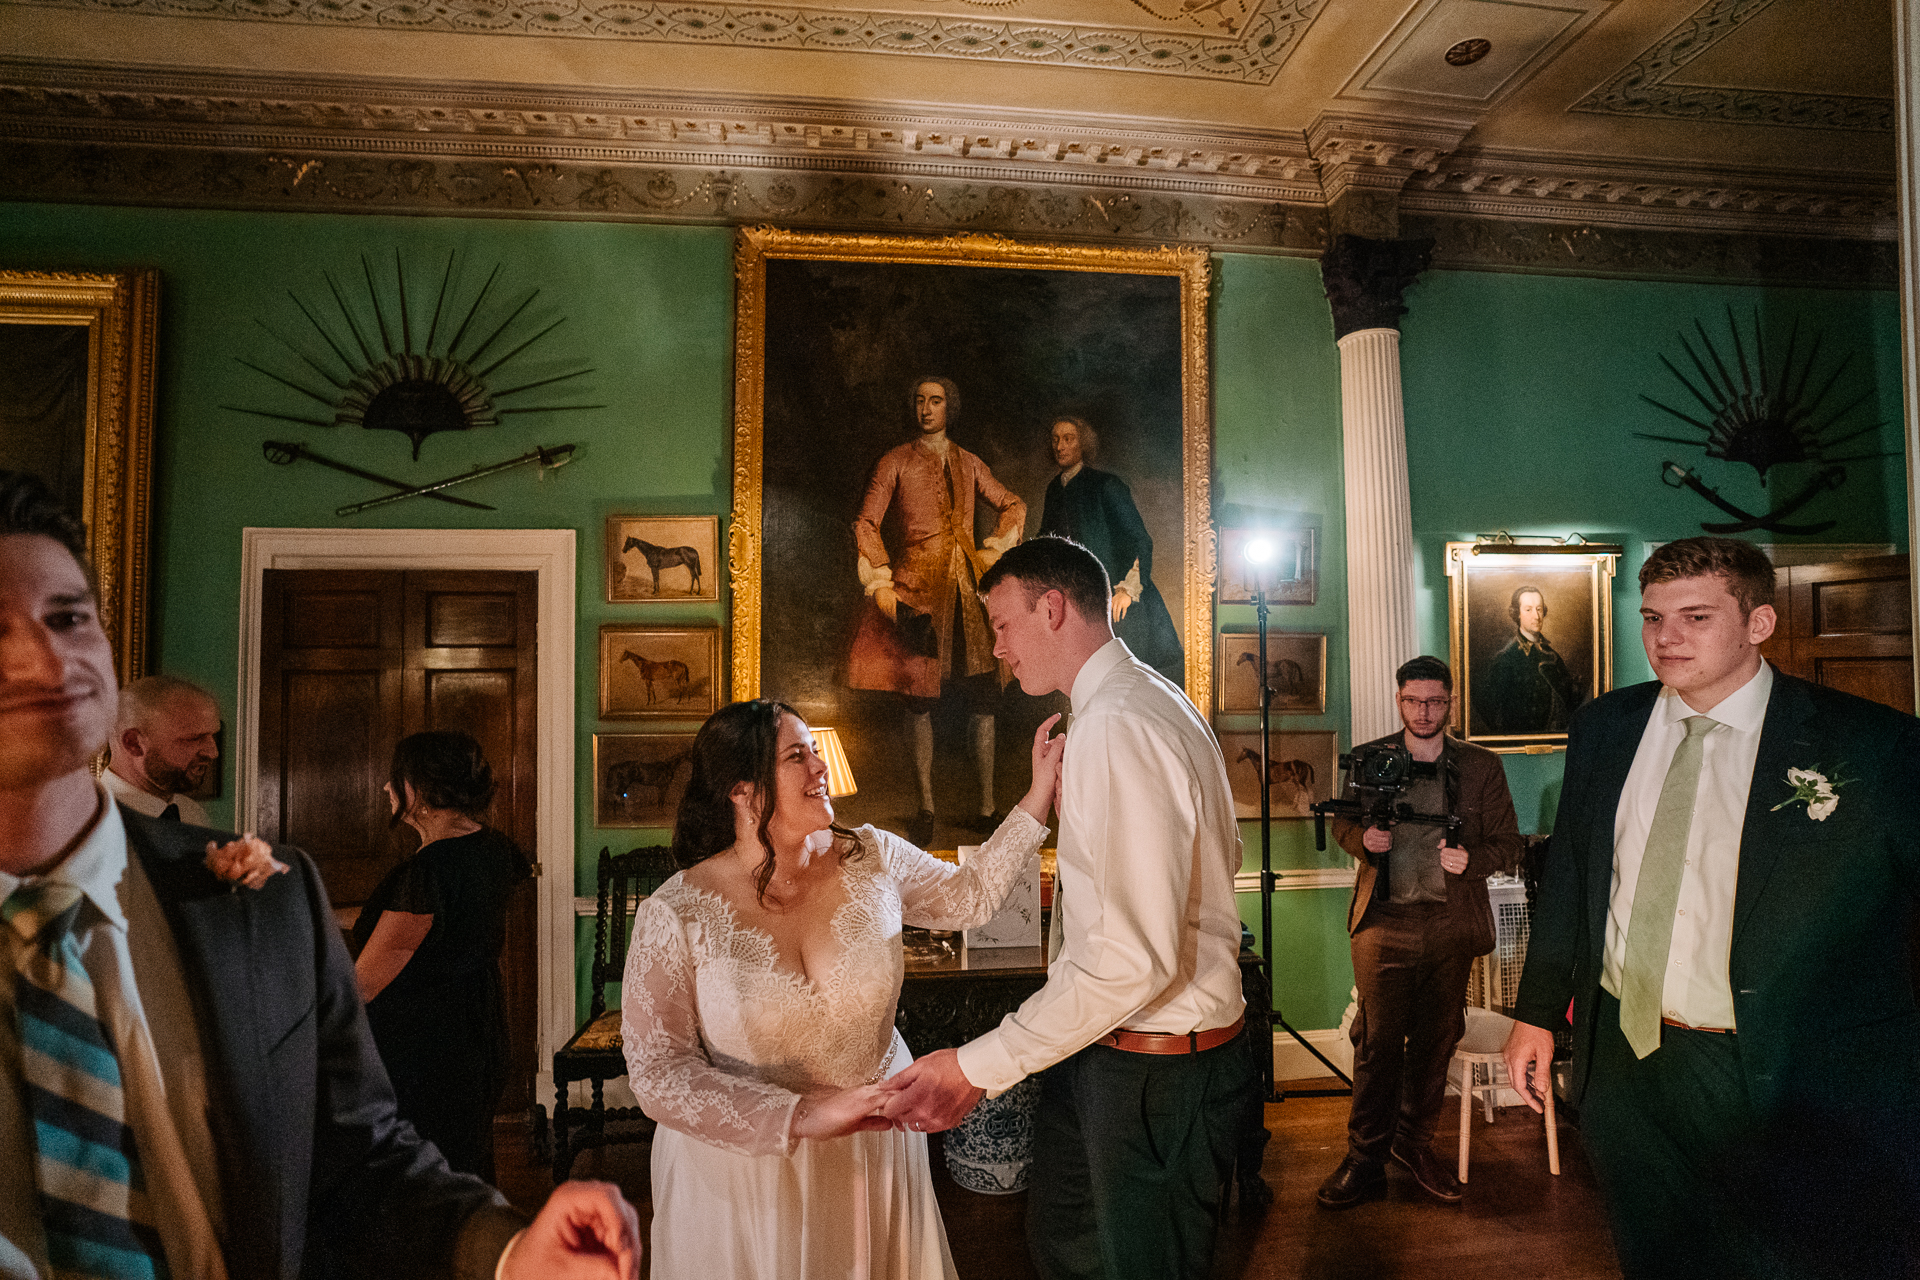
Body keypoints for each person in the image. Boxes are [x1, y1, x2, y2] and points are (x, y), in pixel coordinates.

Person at [0, 469, 640, 1279]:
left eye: (67, 617)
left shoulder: (258, 901)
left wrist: (508, 1249)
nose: (44, 655)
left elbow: (355, 1157)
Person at [1503, 536, 1920, 1280]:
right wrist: (1536, 1013)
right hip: (1624, 1060)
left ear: (1758, 623)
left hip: (1777, 1066)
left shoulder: (1871, 744)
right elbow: (1570, 875)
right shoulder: (1604, 727)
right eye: (1652, 617)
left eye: (1695, 616)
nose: (1666, 638)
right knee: (1658, 1252)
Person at [881, 535, 1255, 1280]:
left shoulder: (1118, 723)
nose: (996, 648)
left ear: (1052, 608)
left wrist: (979, 1065)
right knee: (1066, 1251)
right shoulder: (1150, 699)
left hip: (1153, 1071)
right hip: (1114, 1057)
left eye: (1001, 625)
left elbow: (1128, 963)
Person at [622, 696, 1062, 1279]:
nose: (820, 766)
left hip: (872, 1154)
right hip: (740, 1175)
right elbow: (658, 1073)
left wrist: (1037, 797)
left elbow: (971, 895)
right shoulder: (675, 911)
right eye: (796, 756)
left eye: (815, 751)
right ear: (743, 790)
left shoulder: (874, 854)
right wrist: (801, 1115)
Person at [1316, 655, 1521, 1209]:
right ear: (1399, 700)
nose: (1424, 711)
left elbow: (1510, 842)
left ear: (1450, 702)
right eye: (1413, 701)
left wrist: (1471, 859)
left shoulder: (1481, 768)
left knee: (1436, 1041)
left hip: (1451, 925)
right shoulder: (1369, 759)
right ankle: (1364, 1158)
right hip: (1383, 925)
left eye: (1435, 701)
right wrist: (1364, 842)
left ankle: (1414, 1145)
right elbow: (1342, 821)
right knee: (1378, 1043)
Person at [849, 375, 1027, 846]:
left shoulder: (968, 461)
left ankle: (988, 808)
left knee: (983, 699)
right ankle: (926, 806)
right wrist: (882, 576)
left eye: (936, 401)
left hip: (968, 593)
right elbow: (867, 520)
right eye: (919, 401)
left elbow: (1012, 503)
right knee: (919, 701)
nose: (926, 409)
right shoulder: (895, 461)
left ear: (950, 407)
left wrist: (997, 542)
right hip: (917, 591)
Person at [351, 730, 532, 1181]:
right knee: (462, 1164)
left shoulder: (428, 871)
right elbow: (433, 921)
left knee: (422, 1174)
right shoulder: (493, 849)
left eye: (396, 779)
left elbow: (364, 984)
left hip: (425, 1045)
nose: (386, 788)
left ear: (420, 790)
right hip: (476, 1026)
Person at [1037, 416, 1184, 687]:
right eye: (1055, 439)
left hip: (1120, 599)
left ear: (1083, 444)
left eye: (1068, 438)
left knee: (1128, 678)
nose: (1060, 446)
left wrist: (1127, 590)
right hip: (1078, 598)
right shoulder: (1054, 490)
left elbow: (1140, 540)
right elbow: (1046, 545)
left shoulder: (1106, 485)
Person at [104, 674, 221, 824]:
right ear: (133, 743)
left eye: (213, 736)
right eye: (194, 738)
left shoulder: (192, 814)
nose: (213, 753)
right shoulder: (80, 822)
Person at [1479, 584, 1580, 734]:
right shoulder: (1505, 659)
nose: (1536, 616)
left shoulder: (1553, 656)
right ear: (1517, 614)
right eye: (1528, 610)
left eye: (1539, 609)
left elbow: (1569, 704)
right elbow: (1493, 712)